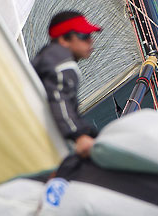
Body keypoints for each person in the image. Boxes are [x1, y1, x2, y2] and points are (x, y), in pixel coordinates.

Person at [32, 11, 101, 158]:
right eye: (84, 36)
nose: (91, 41)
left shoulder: (45, 57)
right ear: (63, 40)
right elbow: (59, 99)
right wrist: (79, 136)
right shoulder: (64, 65)